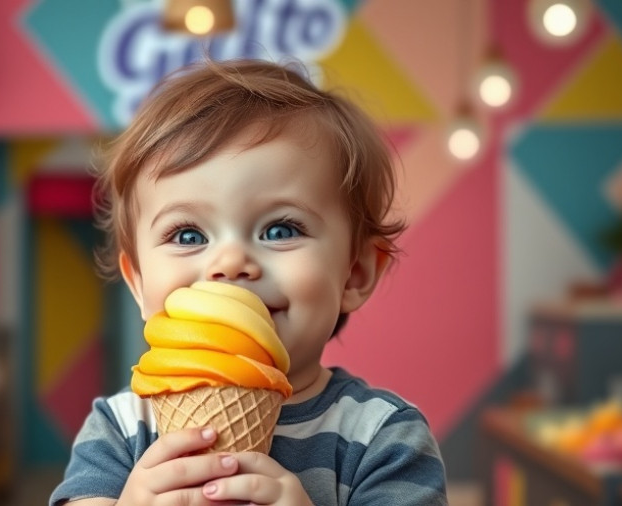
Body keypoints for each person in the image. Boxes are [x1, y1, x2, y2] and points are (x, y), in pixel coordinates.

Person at [50, 58, 447, 506]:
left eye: (280, 230)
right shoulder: (120, 430)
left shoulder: (384, 439)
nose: (231, 262)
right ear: (139, 284)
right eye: (188, 235)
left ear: (355, 273)